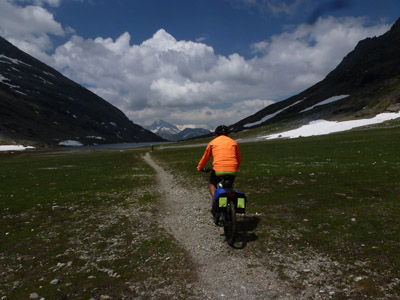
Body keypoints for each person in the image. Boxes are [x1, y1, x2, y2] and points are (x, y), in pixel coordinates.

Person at [197, 125, 241, 201]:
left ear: (216, 134)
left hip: (218, 169)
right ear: (227, 134)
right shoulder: (233, 142)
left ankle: (216, 201)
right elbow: (238, 158)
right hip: (232, 169)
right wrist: (235, 168)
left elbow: (205, 158)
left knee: (212, 183)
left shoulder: (212, 143)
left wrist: (200, 167)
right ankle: (231, 205)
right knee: (229, 186)